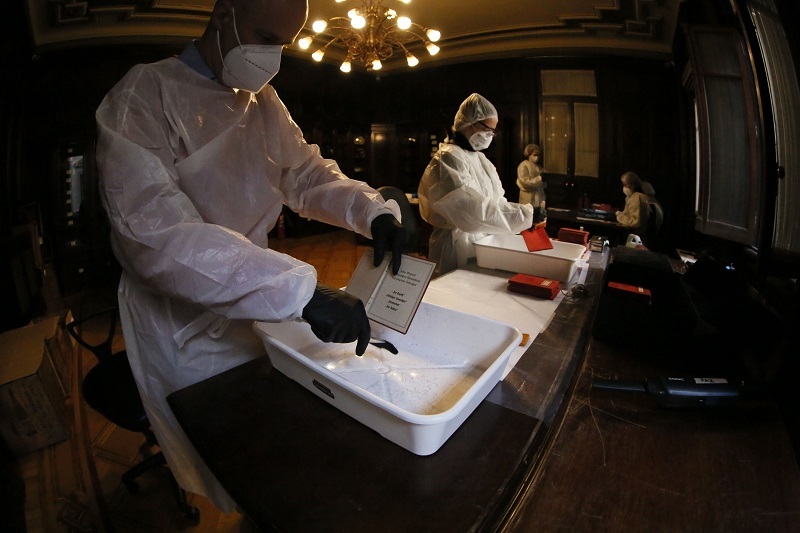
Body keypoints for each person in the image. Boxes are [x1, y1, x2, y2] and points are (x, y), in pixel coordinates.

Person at [95, 0, 405, 513]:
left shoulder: (262, 102)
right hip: (182, 320)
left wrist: (371, 211)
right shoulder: (144, 95)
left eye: (283, 44)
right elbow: (154, 233)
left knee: (270, 445)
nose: (272, 57)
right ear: (224, 15)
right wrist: (300, 291)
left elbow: (305, 174)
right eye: (264, 37)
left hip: (259, 293)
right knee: (229, 456)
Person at [418, 93, 534, 276]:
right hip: (455, 246)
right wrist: (524, 215)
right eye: (487, 129)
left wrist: (522, 219)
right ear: (469, 123)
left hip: (482, 241)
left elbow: (497, 201)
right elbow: (470, 211)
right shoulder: (448, 158)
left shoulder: (481, 159)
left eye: (493, 132)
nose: (489, 136)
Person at [517, 143, 547, 223]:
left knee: (538, 219)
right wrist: (539, 179)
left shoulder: (539, 167)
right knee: (527, 218)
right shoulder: (523, 166)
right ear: (529, 154)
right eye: (534, 155)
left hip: (538, 196)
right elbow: (524, 181)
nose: (536, 157)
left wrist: (543, 181)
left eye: (538, 155)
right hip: (528, 196)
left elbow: (543, 184)